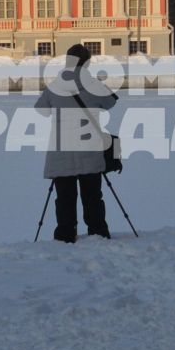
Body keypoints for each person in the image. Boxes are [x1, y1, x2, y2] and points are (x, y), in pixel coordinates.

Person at [34, 44, 117, 242]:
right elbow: (111, 103)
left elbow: (41, 110)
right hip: (89, 148)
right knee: (93, 196)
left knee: (64, 198)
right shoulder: (93, 85)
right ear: (87, 62)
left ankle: (65, 234)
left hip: (61, 149)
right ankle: (98, 232)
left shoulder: (56, 85)